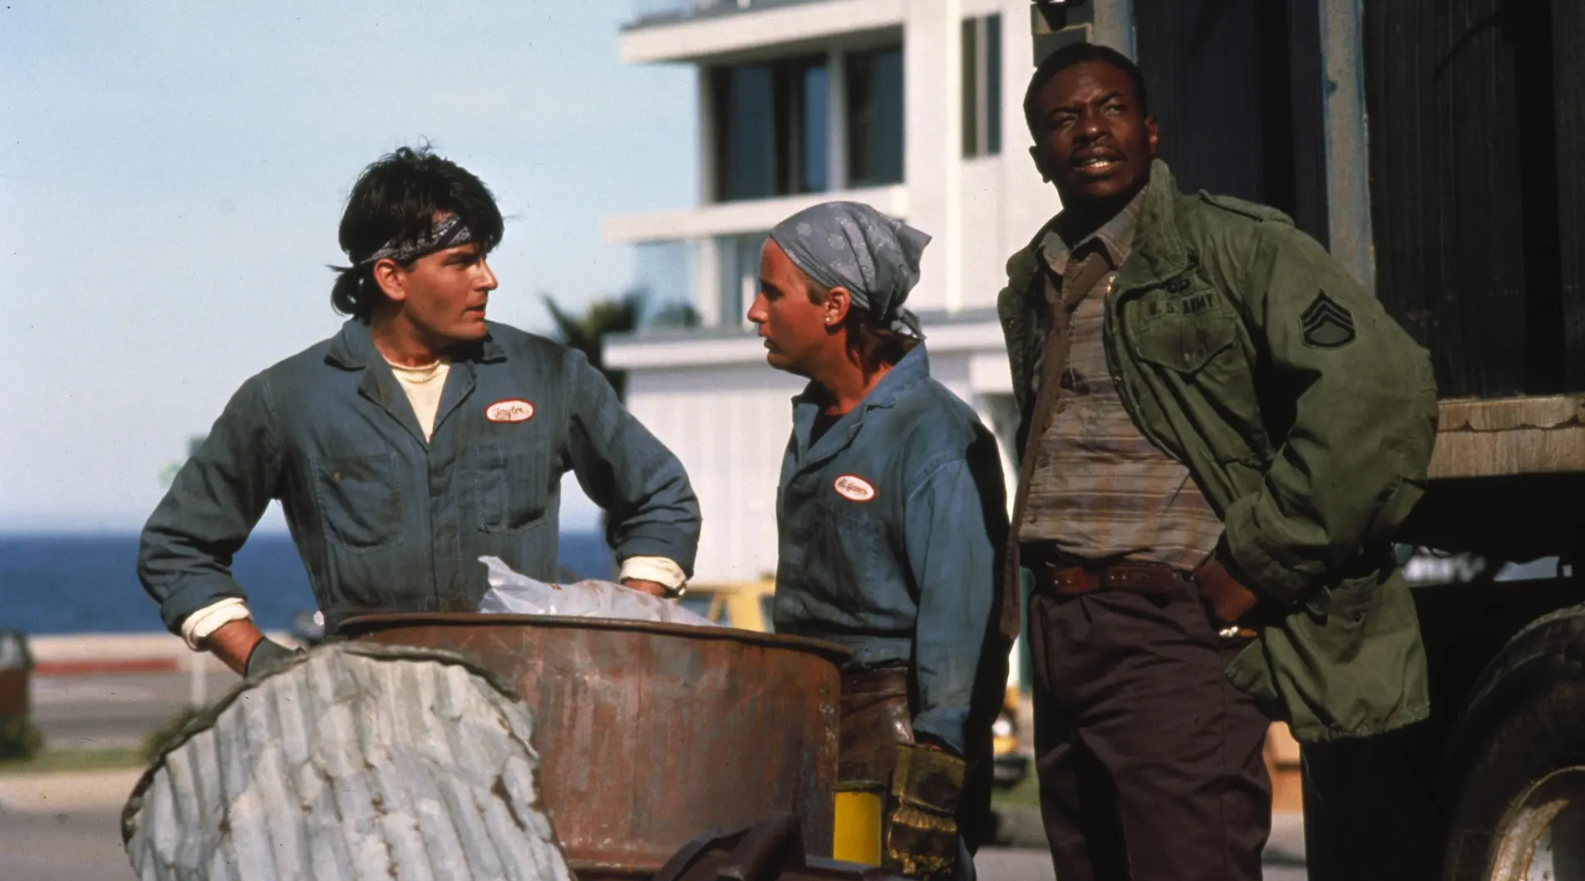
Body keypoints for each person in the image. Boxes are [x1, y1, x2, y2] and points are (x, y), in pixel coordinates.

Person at [997, 42, 1439, 881]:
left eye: (1110, 109)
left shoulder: (1234, 248)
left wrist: (1255, 559)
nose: (1089, 129)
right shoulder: (1037, 279)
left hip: (1170, 634)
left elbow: (1378, 396)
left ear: (1151, 130)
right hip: (1061, 632)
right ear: (1038, 154)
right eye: (1063, 118)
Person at [139, 146, 702, 677]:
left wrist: (623, 624)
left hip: (531, 703)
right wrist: (267, 668)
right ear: (391, 277)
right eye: (462, 261)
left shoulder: (552, 375)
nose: (488, 278)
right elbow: (177, 548)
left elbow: (661, 499)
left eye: (484, 258)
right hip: (366, 722)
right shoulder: (286, 399)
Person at [747, 201, 1009, 880]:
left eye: (771, 292)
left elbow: (963, 618)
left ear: (834, 305)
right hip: (807, 726)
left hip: (892, 745)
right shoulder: (815, 420)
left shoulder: (936, 437)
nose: (754, 311)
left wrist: (936, 766)